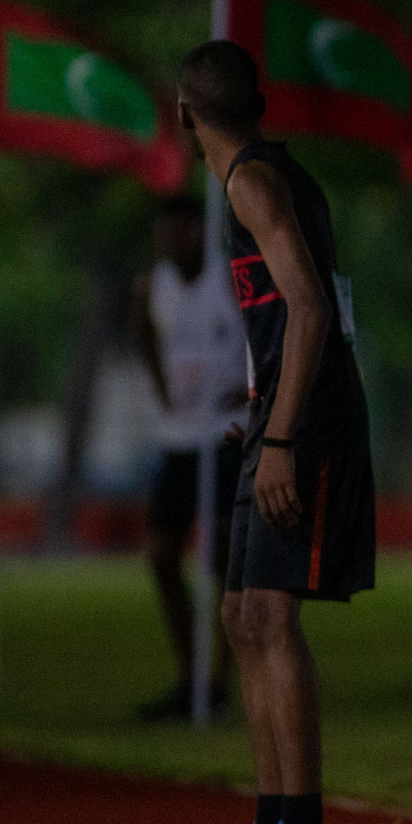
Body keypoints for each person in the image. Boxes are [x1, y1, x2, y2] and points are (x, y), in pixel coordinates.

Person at [169, 40, 376, 824]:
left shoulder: (252, 181)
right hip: (277, 416)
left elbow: (311, 308)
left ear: (187, 117)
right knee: (240, 617)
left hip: (309, 425)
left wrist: (283, 435)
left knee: (271, 616)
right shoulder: (255, 178)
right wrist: (258, 413)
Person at [131, 194, 246, 721]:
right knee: (161, 554)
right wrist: (161, 389)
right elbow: (142, 334)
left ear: (202, 231)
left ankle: (221, 684)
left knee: (227, 556)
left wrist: (249, 390)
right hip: (180, 437)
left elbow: (268, 334)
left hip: (226, 434)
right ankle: (191, 675)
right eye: (165, 232)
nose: (171, 242)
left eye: (181, 230)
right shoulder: (155, 286)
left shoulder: (229, 280)